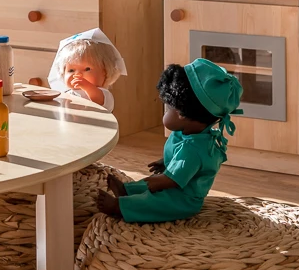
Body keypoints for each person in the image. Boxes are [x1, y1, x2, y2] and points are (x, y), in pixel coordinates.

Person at [96, 58, 242, 223]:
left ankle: (120, 207)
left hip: (183, 198)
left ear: (182, 114)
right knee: (145, 186)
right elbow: (180, 163)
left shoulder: (193, 150)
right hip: (176, 185)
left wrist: (156, 183)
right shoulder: (187, 133)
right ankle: (127, 191)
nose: (165, 111)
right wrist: (166, 161)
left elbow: (170, 180)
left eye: (169, 108)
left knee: (154, 201)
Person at [45, 28, 127, 111]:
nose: (77, 74)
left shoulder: (104, 94)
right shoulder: (67, 93)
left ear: (105, 72)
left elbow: (98, 101)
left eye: (87, 69)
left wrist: (86, 86)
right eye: (71, 70)